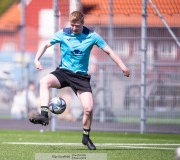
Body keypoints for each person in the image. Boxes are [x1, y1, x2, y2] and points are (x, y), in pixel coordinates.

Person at [29, 11, 130, 150]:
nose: (74, 28)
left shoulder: (92, 36)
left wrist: (123, 67)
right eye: (72, 25)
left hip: (81, 77)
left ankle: (86, 137)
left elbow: (109, 51)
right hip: (63, 73)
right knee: (44, 81)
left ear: (82, 23)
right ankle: (44, 115)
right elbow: (46, 45)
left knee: (88, 109)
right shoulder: (63, 33)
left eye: (77, 26)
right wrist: (36, 60)